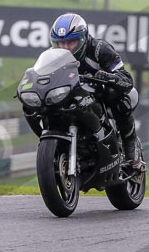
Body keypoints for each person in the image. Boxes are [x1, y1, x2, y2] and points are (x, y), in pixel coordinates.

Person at [50, 12, 144, 169]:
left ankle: (131, 147)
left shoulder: (100, 49)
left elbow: (126, 78)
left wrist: (108, 77)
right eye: (61, 43)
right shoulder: (52, 56)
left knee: (123, 100)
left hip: (100, 95)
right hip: (72, 96)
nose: (65, 48)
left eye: (71, 42)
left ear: (83, 38)